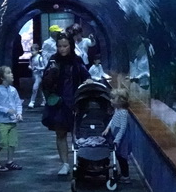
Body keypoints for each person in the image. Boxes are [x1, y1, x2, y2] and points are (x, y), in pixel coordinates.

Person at [41, 35, 91, 175]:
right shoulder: (53, 60)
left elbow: (86, 76)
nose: (62, 49)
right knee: (60, 133)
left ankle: (82, 161)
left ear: (71, 46)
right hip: (59, 102)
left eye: (65, 46)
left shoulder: (77, 60)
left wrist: (87, 82)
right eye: (59, 46)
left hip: (75, 101)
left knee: (79, 133)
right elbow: (45, 83)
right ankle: (64, 164)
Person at [0, 65, 23, 170]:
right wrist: (7, 110)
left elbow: (18, 103)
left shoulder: (13, 90)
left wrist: (19, 113)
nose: (12, 74)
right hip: (2, 121)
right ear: (2, 78)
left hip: (13, 121)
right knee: (3, 142)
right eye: (8, 73)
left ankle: (10, 161)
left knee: (12, 142)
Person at [103, 87, 132, 182]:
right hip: (116, 135)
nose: (110, 100)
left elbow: (123, 128)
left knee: (122, 157)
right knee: (118, 156)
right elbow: (113, 120)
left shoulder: (123, 113)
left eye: (113, 98)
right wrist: (108, 128)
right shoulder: (117, 110)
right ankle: (123, 173)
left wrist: (117, 139)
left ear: (120, 101)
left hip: (122, 139)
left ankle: (126, 176)